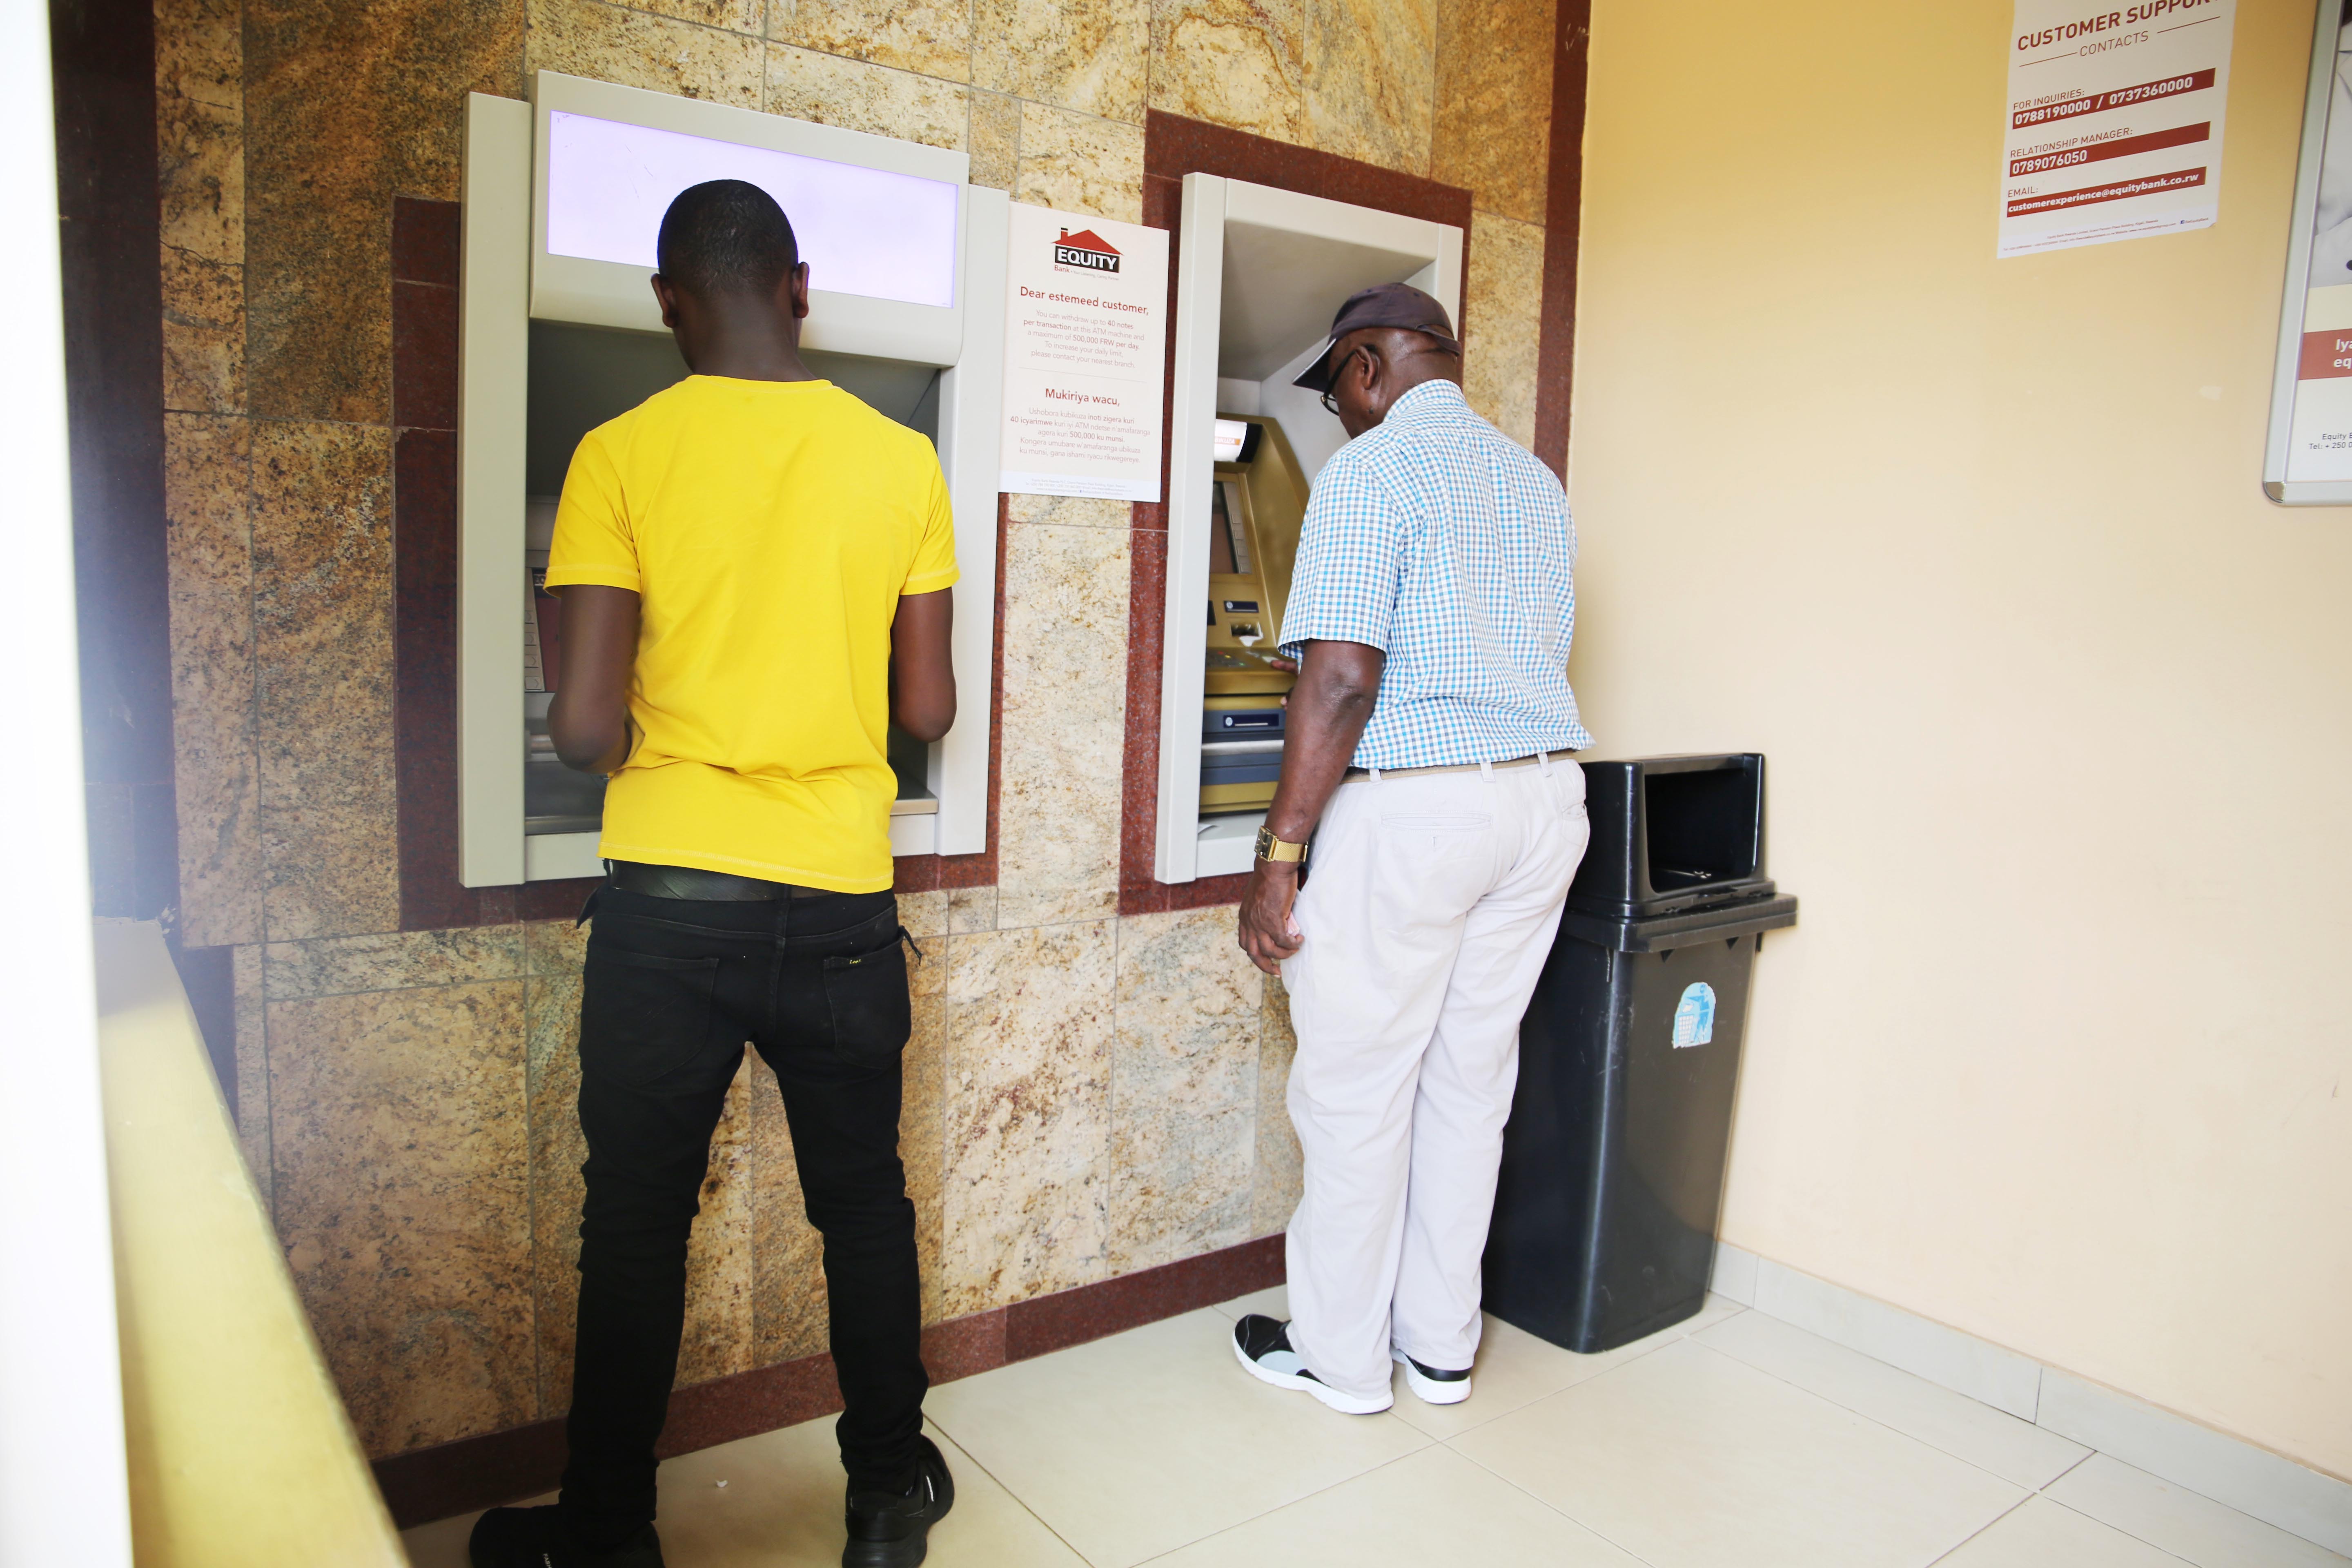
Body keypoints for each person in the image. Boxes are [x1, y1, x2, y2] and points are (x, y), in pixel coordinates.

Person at [470, 179, 960, 1568]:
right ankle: (882, 1501)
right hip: (842, 907)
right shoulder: (898, 464)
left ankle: (610, 1532)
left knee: (633, 1228)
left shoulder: (619, 453)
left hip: (670, 915)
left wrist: (612, 684)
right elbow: (925, 713)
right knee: (863, 1208)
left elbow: (580, 734)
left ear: (667, 303)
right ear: (799, 286)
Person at [1229, 282, 1592, 1416]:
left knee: (1355, 1089)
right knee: (1469, 1083)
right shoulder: (1535, 484)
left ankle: (1342, 1361)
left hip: (1419, 816)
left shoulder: (1371, 472)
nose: (1337, 412)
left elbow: (1343, 678)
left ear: (1370, 365)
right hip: (1541, 806)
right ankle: (1439, 1347)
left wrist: (1279, 855)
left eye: (1335, 386)